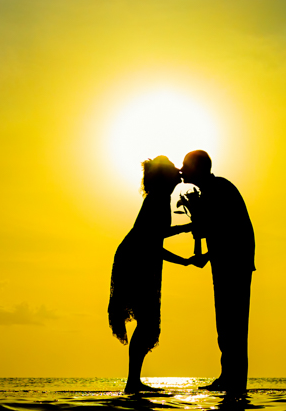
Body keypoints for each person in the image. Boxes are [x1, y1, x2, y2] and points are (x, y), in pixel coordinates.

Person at [108, 156, 196, 394]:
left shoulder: (160, 198)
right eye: (174, 170)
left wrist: (186, 228)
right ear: (164, 177)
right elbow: (151, 243)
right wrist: (185, 261)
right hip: (137, 260)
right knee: (146, 323)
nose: (179, 172)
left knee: (146, 324)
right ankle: (132, 382)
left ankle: (133, 381)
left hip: (138, 258)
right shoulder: (158, 199)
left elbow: (158, 233)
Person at [179, 150, 255, 395]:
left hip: (234, 265)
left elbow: (229, 230)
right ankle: (228, 378)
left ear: (198, 169)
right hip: (225, 263)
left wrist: (207, 253)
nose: (181, 170)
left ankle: (235, 383)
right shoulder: (210, 190)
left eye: (185, 166)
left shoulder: (219, 189)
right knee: (226, 324)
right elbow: (214, 229)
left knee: (234, 325)